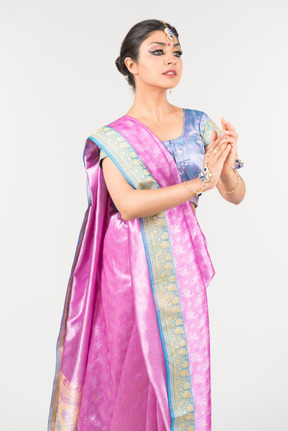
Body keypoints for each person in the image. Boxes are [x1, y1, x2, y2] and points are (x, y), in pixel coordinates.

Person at [48, 19, 245, 431]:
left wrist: (224, 168)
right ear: (131, 64)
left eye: (176, 52)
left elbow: (235, 192)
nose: (170, 59)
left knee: (184, 368)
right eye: (157, 51)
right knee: (130, 370)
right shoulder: (114, 138)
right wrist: (200, 182)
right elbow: (130, 205)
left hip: (183, 266)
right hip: (127, 271)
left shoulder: (199, 123)